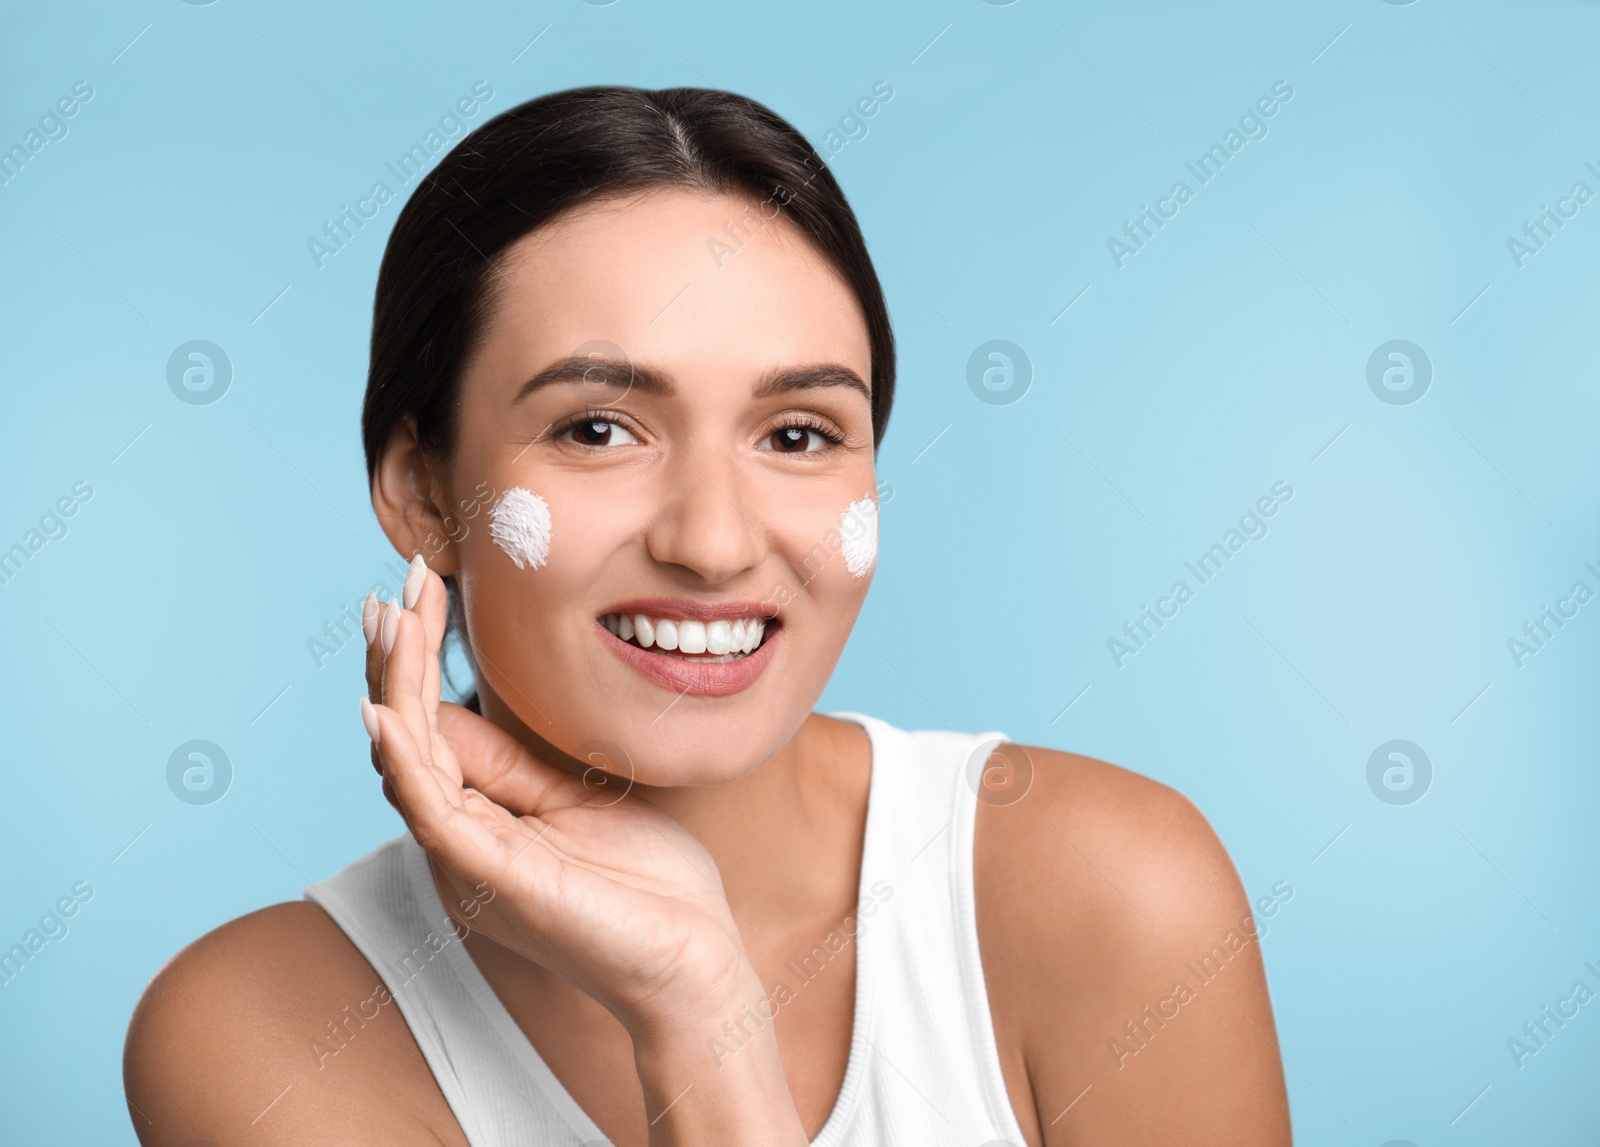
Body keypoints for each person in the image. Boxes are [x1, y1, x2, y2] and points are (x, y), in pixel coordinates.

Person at [123, 85, 1291, 1146]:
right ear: (424, 492)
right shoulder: (261, 1030)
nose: (715, 542)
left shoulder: (1110, 895)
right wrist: (689, 997)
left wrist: (701, 1017)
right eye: (597, 429)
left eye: (797, 435)